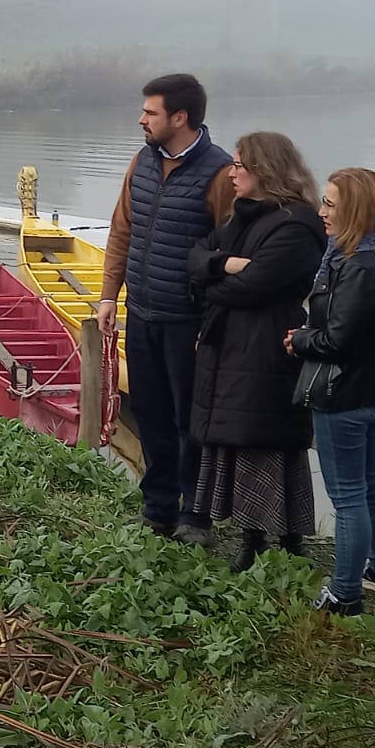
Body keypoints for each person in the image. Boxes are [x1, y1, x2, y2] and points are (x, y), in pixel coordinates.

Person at [97, 73, 233, 544]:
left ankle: (196, 515)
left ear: (180, 117)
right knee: (151, 412)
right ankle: (158, 507)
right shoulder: (142, 161)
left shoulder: (221, 175)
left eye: (150, 112)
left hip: (189, 322)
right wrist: (108, 296)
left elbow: (229, 257)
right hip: (143, 313)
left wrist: (214, 321)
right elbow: (121, 233)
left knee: (191, 420)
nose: (142, 119)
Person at [187, 132, 326, 571]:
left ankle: (281, 537)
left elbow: (256, 286)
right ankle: (251, 536)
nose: (231, 173)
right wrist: (223, 265)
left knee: (266, 441)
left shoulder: (298, 225)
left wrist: (213, 279)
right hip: (231, 348)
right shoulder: (241, 218)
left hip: (267, 350)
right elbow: (196, 258)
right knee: (237, 438)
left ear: (265, 170)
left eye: (240, 166)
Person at [286, 168, 375, 616]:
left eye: (330, 204)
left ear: (354, 210)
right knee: (372, 480)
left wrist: (299, 339)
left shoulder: (357, 266)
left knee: (347, 496)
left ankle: (345, 594)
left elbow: (338, 340)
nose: (321, 211)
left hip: (345, 394)